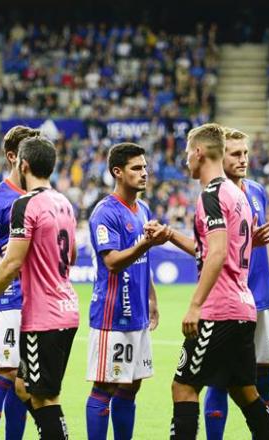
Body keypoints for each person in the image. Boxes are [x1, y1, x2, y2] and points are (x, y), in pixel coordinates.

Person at [168, 123, 269, 440]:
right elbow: (222, 248)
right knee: (245, 392)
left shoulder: (213, 195)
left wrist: (195, 306)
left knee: (184, 387)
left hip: (219, 310)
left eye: (188, 153)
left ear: (199, 152)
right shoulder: (238, 195)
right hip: (243, 308)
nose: (187, 159)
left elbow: (216, 254)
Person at [0, 136, 78, 440]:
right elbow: (72, 256)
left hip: (39, 310)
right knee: (22, 384)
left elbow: (12, 262)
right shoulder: (63, 201)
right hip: (58, 307)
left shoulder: (25, 203)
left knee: (38, 393)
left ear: (24, 163)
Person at [203, 128, 269, 440]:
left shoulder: (256, 191)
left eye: (245, 153)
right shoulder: (215, 195)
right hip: (228, 300)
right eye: (235, 154)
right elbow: (212, 249)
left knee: (264, 375)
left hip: (262, 296)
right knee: (218, 379)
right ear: (220, 156)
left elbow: (263, 242)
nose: (243, 159)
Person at [85, 142, 170, 440]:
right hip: (111, 315)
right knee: (105, 386)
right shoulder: (104, 213)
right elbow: (111, 262)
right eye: (136, 168)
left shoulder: (143, 208)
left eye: (145, 167)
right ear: (117, 173)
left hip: (138, 313)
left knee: (132, 384)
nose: (144, 173)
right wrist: (145, 243)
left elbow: (142, 261)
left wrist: (152, 299)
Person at [0, 125, 39, 440]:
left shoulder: (41, 197)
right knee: (6, 372)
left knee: (24, 379)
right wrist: (9, 268)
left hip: (38, 303)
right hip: (7, 297)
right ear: (13, 157)